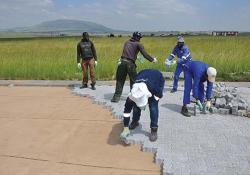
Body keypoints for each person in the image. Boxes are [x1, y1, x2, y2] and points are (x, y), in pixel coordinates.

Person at [111, 32, 157, 103]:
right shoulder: (138, 44)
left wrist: (136, 57)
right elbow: (145, 54)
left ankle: (116, 98)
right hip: (130, 64)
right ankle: (132, 98)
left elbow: (129, 53)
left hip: (122, 62)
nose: (139, 39)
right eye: (139, 38)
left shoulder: (127, 42)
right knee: (134, 82)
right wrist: (152, 59)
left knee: (120, 81)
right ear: (136, 37)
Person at [120, 69, 165, 142]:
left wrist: (156, 97)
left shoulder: (154, 89)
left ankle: (154, 129)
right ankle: (135, 121)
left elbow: (160, 94)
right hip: (142, 74)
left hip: (157, 78)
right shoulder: (132, 95)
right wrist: (125, 127)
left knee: (153, 107)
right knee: (135, 107)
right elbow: (126, 112)